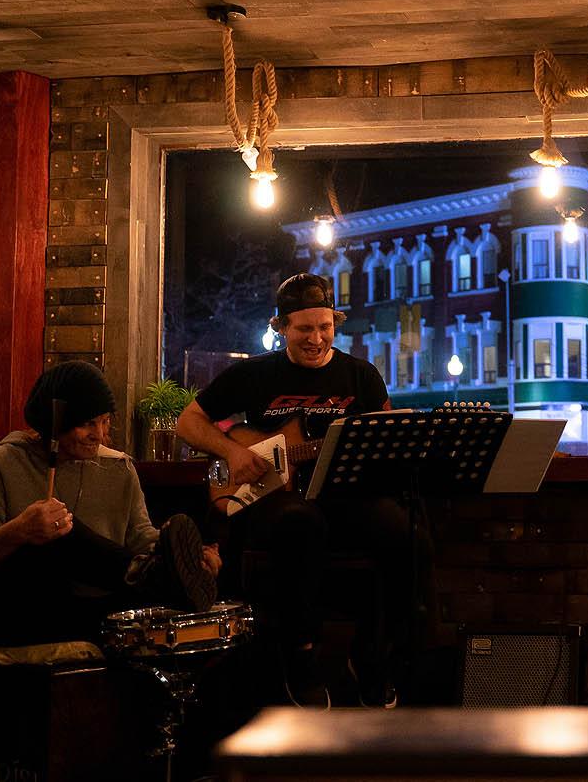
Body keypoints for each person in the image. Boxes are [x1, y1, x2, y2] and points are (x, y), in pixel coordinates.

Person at [177, 272, 423, 709]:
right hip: (274, 500)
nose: (316, 339)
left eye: (325, 327)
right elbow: (188, 422)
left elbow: (386, 433)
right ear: (280, 327)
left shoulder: (361, 377)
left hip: (344, 497)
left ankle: (373, 657)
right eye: (304, 329)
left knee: (404, 530)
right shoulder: (254, 374)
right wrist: (232, 452)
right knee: (300, 521)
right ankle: (301, 656)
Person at [0, 361, 218, 648]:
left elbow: (141, 536)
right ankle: (154, 577)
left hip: (97, 611)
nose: (99, 434)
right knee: (55, 537)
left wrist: (190, 559)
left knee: (151, 590)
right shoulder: (3, 462)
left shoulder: (119, 469)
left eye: (104, 421)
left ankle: (160, 575)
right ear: (56, 421)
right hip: (18, 610)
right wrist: (19, 531)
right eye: (88, 423)